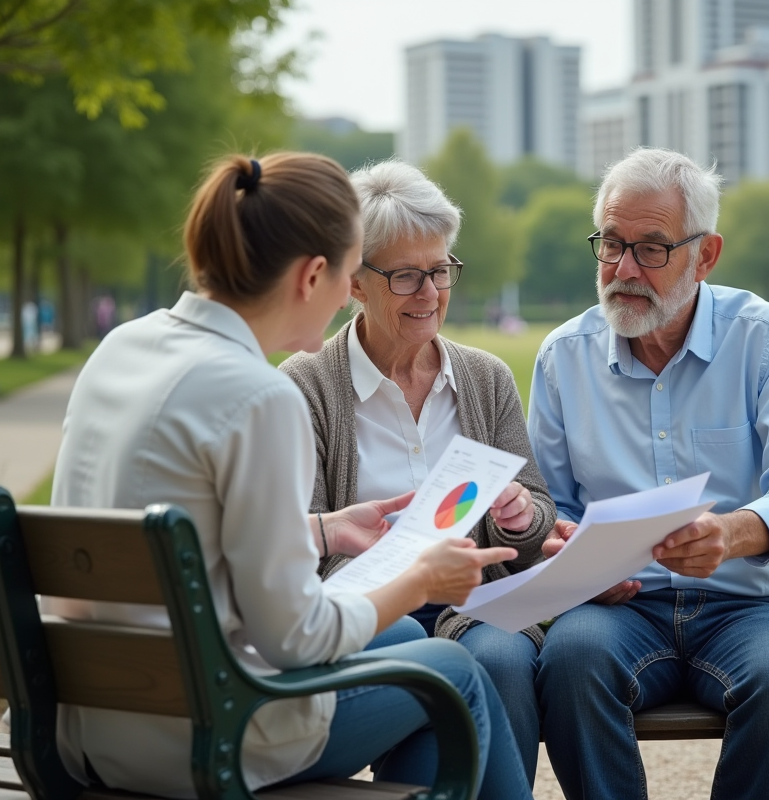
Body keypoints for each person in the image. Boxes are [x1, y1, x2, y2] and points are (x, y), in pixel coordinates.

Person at [44, 152, 533, 800]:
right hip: (213, 733)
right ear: (313, 275)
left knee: (403, 639)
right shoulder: (261, 398)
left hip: (96, 720)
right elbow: (297, 638)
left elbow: (191, 537)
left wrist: (325, 531)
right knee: (450, 672)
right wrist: (420, 579)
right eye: (351, 273)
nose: (346, 296)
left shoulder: (123, 348)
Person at [527, 147, 769, 800]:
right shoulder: (564, 356)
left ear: (705, 256)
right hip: (619, 608)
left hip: (750, 602)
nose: (622, 269)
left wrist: (733, 532)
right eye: (611, 244)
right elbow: (548, 502)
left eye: (651, 249)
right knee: (568, 664)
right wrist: (563, 543)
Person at [281, 159, 556, 785]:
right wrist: (395, 577)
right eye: (407, 275)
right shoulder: (304, 388)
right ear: (354, 281)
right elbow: (300, 545)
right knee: (416, 652)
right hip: (371, 616)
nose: (430, 294)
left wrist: (518, 515)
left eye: (441, 270)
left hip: (475, 604)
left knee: (503, 656)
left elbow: (539, 514)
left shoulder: (485, 378)